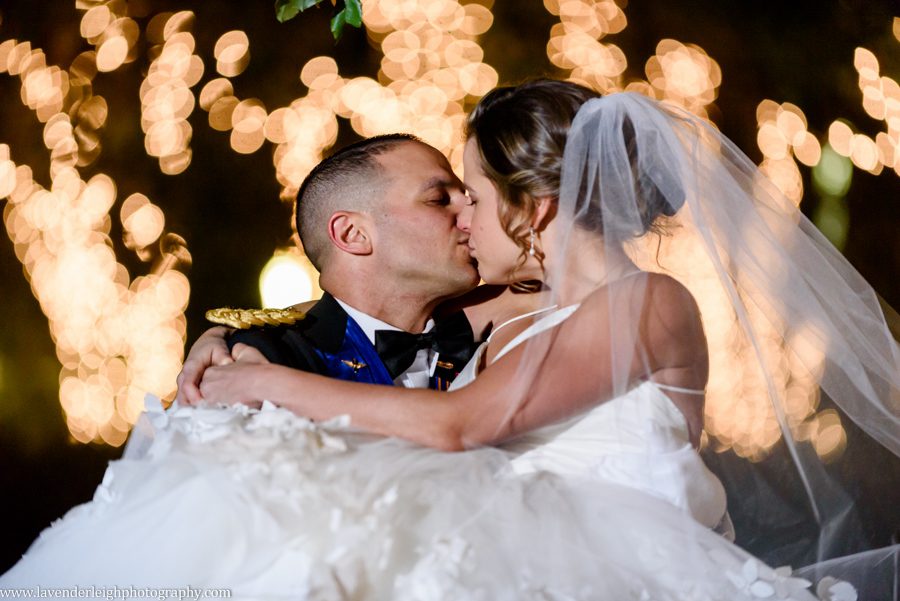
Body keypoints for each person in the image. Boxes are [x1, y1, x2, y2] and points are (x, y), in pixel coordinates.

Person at [3, 81, 898, 600]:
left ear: (533, 208)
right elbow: (338, 322)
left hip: (623, 568)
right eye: (449, 196)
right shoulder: (515, 311)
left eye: (469, 191)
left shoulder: (646, 302)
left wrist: (257, 386)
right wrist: (221, 335)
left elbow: (462, 423)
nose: (464, 213)